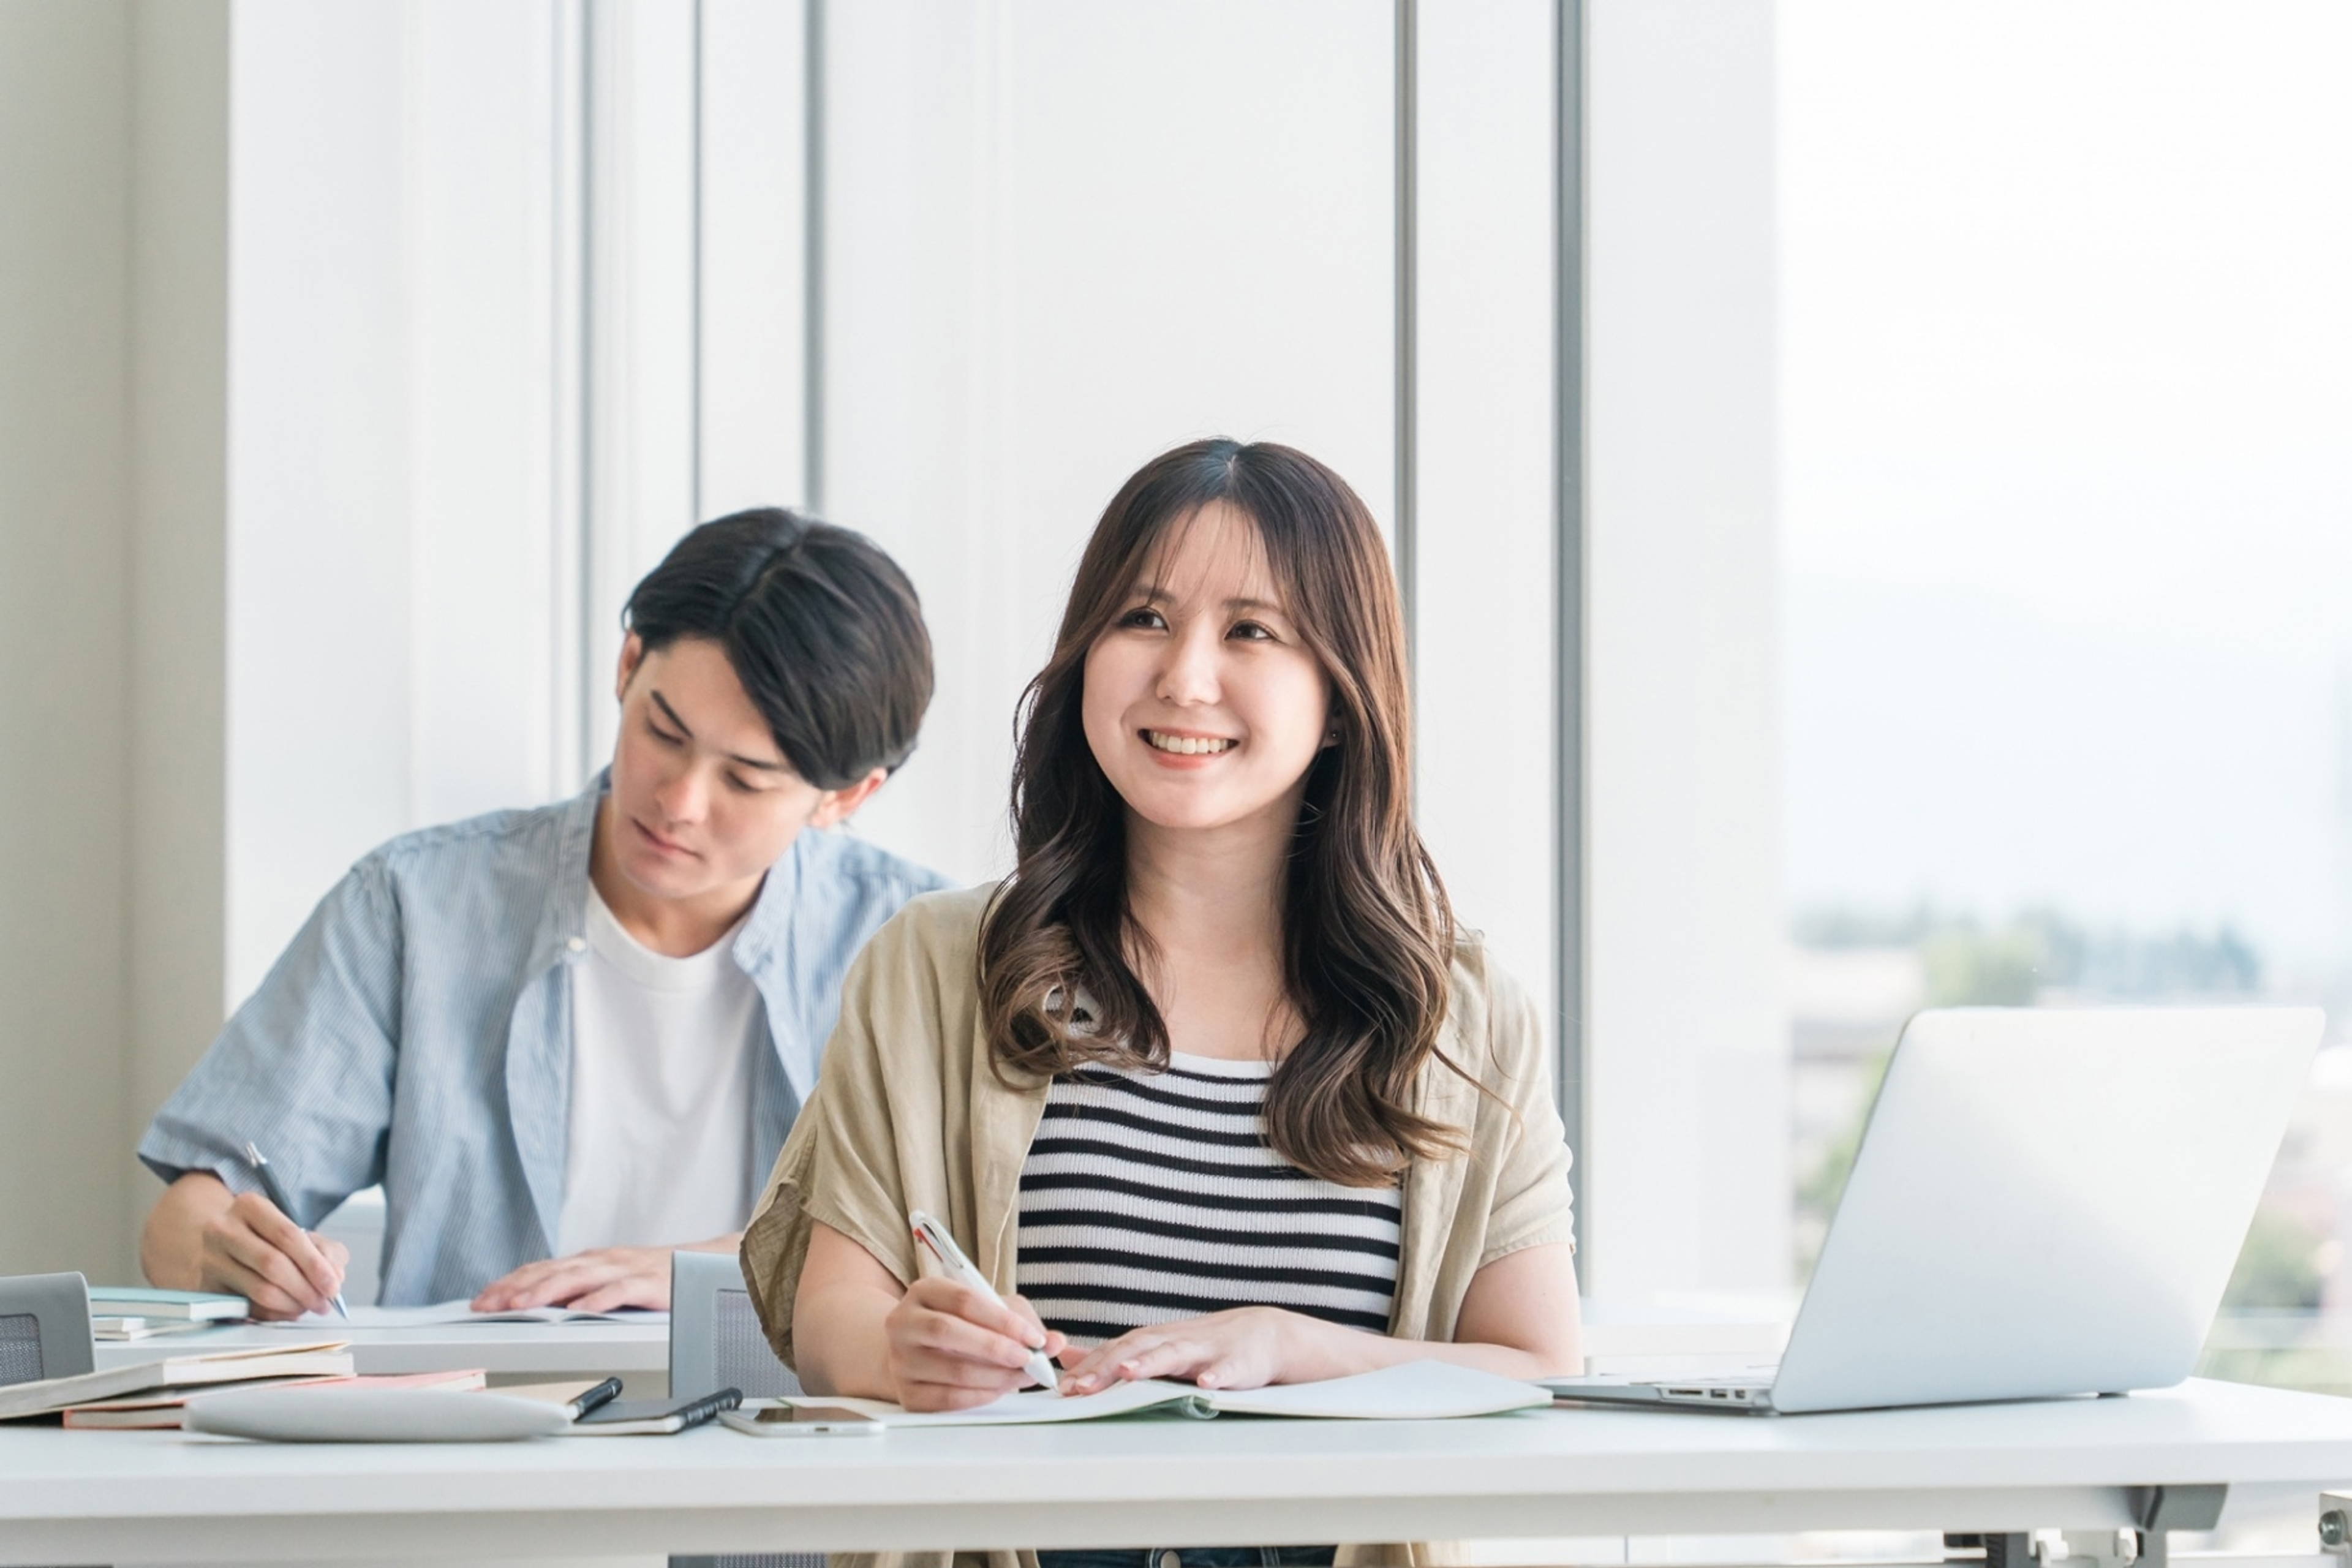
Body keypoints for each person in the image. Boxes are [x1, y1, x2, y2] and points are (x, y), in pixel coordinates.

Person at [742, 440, 1581, 1568]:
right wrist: (908, 1353)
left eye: (1251, 631)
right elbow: (830, 1320)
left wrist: (1290, 1347)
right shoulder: (936, 966)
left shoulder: (1464, 1015)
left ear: (1339, 699)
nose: (1185, 678)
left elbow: (1537, 1367)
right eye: (1142, 618)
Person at [139, 508, 951, 1318]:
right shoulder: (417, 906)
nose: (679, 802)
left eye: (744, 780)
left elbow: (968, 1249)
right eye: (663, 732)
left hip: (795, 1440)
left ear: (846, 797)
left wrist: (717, 1271)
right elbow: (184, 1221)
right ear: (628, 666)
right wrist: (230, 1252)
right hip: (478, 1426)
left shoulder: (918, 948)